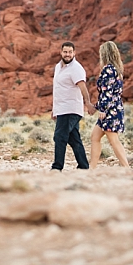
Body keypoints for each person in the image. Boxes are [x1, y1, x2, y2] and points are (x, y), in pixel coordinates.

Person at [51, 41, 93, 171]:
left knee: (59, 136)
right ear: (61, 52)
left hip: (70, 108)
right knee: (73, 138)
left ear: (74, 53)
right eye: (65, 52)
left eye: (70, 52)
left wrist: (88, 103)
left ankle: (57, 167)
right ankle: (84, 166)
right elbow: (58, 89)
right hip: (61, 109)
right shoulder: (58, 67)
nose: (67, 54)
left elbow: (82, 87)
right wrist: (54, 110)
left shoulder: (76, 68)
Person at [89, 41, 130, 168]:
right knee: (95, 137)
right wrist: (95, 107)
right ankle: (92, 168)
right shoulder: (117, 70)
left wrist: (102, 110)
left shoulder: (108, 70)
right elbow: (111, 94)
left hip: (109, 111)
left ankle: (127, 168)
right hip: (114, 108)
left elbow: (106, 93)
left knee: (113, 140)